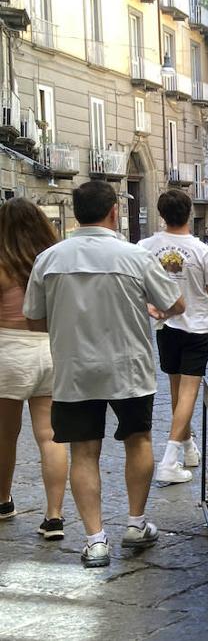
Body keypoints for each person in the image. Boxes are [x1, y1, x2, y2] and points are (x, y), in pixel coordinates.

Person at [24, 181, 185, 568]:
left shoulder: (49, 259)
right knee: (138, 439)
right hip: (128, 366)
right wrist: (154, 311)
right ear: (114, 211)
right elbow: (175, 304)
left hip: (74, 369)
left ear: (76, 213)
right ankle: (135, 523)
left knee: (83, 451)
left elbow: (33, 321)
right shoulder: (134, 256)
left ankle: (95, 540)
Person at [139, 189, 208, 484]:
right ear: (190, 213)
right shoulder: (203, 251)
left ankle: (188, 449)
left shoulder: (145, 247)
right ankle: (169, 459)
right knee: (189, 393)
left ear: (161, 215)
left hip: (166, 327)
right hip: (198, 326)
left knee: (177, 391)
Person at [0, 199, 68, 541]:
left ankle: (2, 501)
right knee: (50, 435)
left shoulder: (1, 264)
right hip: (49, 349)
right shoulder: (53, 261)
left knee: (5, 434)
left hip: (8, 351)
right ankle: (53, 517)